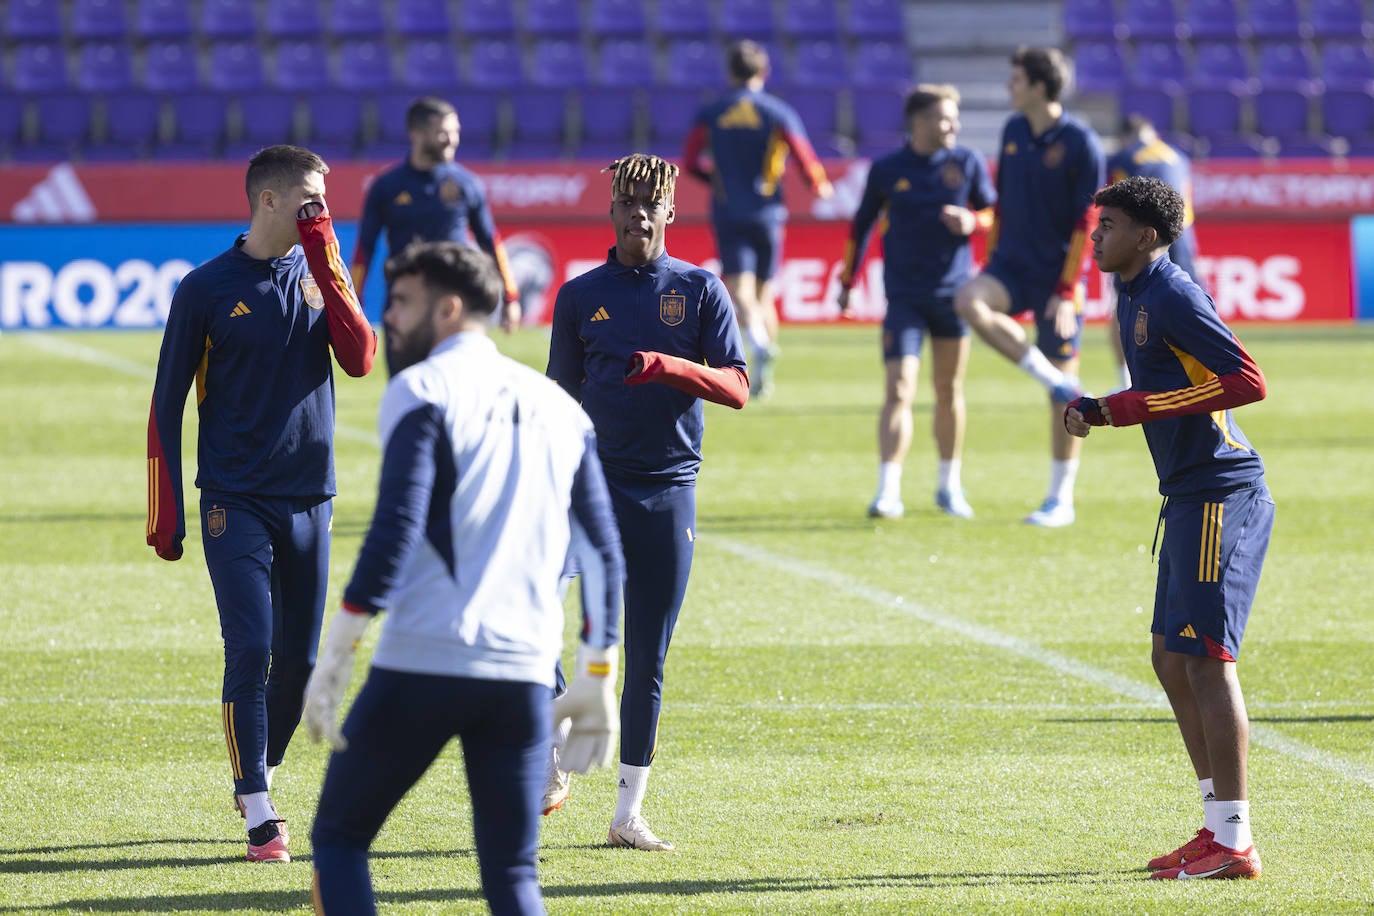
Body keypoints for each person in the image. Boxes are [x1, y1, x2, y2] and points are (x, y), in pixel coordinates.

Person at [304, 241, 624, 915]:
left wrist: (336, 652)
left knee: (339, 838)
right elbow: (604, 553)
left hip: (425, 659)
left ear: (447, 308)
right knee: (512, 874)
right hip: (522, 675)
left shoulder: (421, 388)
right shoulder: (558, 405)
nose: (388, 317)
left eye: (402, 301)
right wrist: (598, 674)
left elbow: (394, 534)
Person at [145, 145, 377, 862]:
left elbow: (361, 355)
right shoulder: (205, 287)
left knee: (301, 662)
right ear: (268, 199)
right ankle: (257, 807)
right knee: (251, 644)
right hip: (233, 496)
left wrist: (327, 253)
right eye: (311, 197)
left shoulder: (320, 268)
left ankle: (260, 772)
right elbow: (165, 402)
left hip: (312, 495)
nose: (322, 208)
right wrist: (165, 510)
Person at [1066, 175, 1271, 881]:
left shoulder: (1174, 294)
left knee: (1209, 660)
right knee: (1167, 656)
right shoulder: (1133, 294)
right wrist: (1101, 408)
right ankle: (1215, 824)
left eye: (1109, 224)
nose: (1096, 235)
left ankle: (1237, 841)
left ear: (1146, 236)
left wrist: (1126, 408)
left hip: (1220, 493)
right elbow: (1155, 392)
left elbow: (1247, 381)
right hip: (1185, 495)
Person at [545, 154, 749, 852]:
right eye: (626, 201)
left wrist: (669, 366)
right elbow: (558, 399)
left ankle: (628, 814)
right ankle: (552, 734)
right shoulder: (579, 296)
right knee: (538, 611)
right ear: (611, 211)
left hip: (667, 490)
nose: (637, 212)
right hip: (591, 487)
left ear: (669, 213)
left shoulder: (698, 290)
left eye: (649, 203)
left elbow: (739, 388)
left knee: (648, 656)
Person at [953, 47, 1106, 527]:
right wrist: (991, 254)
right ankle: (1053, 379)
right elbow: (1001, 205)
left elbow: (1089, 222)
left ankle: (1061, 500)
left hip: (1058, 280)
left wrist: (1066, 289)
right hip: (1011, 268)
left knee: (1063, 402)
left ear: (1039, 86)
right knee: (968, 301)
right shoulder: (1014, 130)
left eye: (1016, 79)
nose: (1009, 87)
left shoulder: (1082, 142)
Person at [837, 84, 996, 521]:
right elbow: (861, 225)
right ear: (919, 122)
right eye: (945, 117)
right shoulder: (889, 169)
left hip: (954, 296)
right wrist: (848, 280)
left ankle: (949, 486)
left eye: (955, 117)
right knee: (899, 389)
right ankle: (888, 491)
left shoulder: (966, 162)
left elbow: (993, 214)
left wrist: (972, 221)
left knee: (948, 390)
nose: (954, 126)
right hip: (904, 297)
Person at [681, 39, 833, 400]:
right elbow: (803, 156)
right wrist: (819, 186)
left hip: (729, 209)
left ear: (731, 72)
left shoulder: (713, 112)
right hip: (769, 212)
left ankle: (759, 345)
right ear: (764, 73)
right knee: (764, 295)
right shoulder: (779, 112)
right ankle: (765, 374)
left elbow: (688, 160)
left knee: (740, 292)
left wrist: (713, 180)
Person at [351, 96, 521, 344]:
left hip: (455, 300)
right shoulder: (386, 187)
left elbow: (490, 242)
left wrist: (511, 297)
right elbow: (363, 249)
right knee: (404, 380)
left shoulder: (467, 184)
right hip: (405, 300)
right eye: (443, 133)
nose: (452, 140)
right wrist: (353, 300)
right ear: (416, 134)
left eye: (455, 132)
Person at [1105, 114, 1202, 391]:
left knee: (1124, 307)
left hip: (1142, 243)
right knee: (1190, 307)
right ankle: (1195, 380)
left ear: (1125, 136)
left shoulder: (1125, 158)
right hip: (1183, 241)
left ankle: (1127, 382)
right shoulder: (1180, 157)